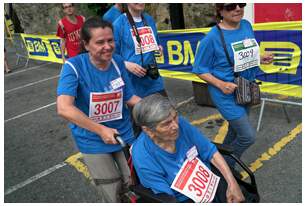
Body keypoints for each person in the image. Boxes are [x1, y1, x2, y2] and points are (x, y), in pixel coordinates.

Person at [57, 17, 141, 202]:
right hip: (92, 139)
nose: (108, 46)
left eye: (110, 40)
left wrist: (158, 108)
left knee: (135, 181)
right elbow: (64, 108)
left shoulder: (118, 62)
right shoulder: (73, 67)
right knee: (111, 187)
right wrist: (101, 129)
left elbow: (129, 97)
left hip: (123, 133)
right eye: (100, 42)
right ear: (86, 45)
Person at [192, 3, 273, 167]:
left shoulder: (246, 25)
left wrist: (260, 57)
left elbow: (246, 53)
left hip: (246, 88)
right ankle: (225, 166)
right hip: (225, 94)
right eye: (230, 6)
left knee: (235, 130)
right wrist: (221, 84)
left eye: (241, 4)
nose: (237, 8)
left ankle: (218, 158)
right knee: (247, 136)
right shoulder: (212, 37)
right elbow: (199, 69)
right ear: (220, 10)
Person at [132, 94, 245, 203]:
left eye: (175, 117)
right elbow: (168, 199)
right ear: (148, 130)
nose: (175, 126)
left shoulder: (181, 124)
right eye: (166, 124)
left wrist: (232, 184)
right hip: (184, 199)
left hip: (212, 180)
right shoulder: (143, 155)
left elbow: (211, 152)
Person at [113, 3, 166, 98]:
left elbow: (156, 42)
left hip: (153, 79)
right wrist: (126, 64)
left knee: (166, 110)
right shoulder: (118, 24)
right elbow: (111, 56)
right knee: (141, 113)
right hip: (132, 83)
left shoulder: (149, 19)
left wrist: (158, 47)